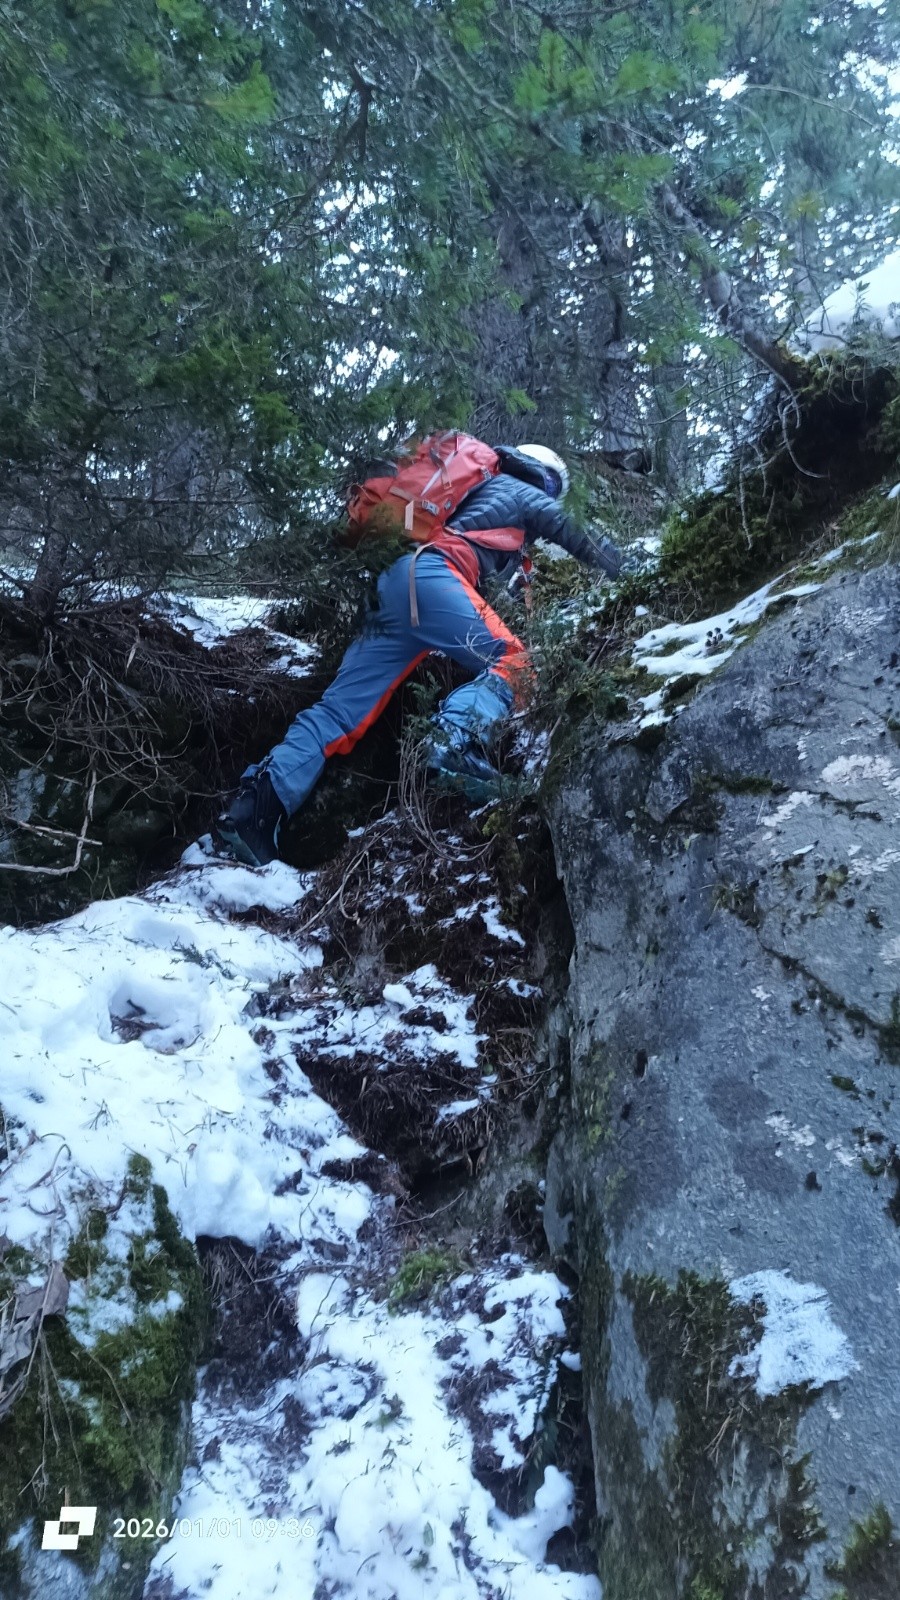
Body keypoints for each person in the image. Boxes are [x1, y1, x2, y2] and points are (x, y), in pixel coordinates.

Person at [216, 442, 621, 866]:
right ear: (540, 475)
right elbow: (570, 528)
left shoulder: (478, 496)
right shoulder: (517, 489)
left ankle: (254, 812)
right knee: (517, 661)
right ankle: (455, 742)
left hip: (392, 584)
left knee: (339, 713)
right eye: (552, 487)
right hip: (431, 575)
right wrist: (629, 569)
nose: (550, 495)